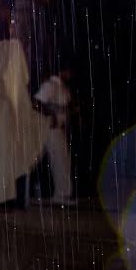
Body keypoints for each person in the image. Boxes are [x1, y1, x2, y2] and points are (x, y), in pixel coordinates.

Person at [33, 65, 76, 205]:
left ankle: (62, 194)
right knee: (58, 159)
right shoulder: (50, 85)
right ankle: (61, 195)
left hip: (57, 128)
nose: (70, 74)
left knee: (61, 159)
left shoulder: (63, 87)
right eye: (69, 71)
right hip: (48, 128)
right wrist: (50, 116)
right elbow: (37, 102)